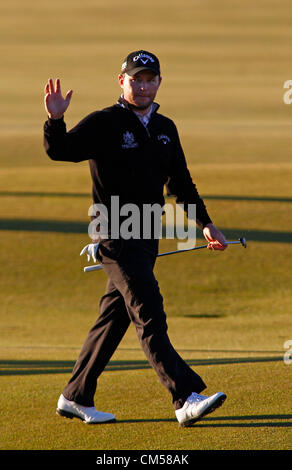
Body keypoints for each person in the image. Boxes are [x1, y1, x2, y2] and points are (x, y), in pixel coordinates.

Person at [43, 50, 228, 427]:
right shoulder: (104, 123)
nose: (142, 86)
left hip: (147, 235)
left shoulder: (165, 128)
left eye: (149, 79)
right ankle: (185, 396)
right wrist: (56, 120)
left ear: (159, 82)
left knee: (115, 317)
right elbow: (60, 151)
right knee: (148, 310)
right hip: (114, 234)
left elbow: (181, 184)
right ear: (121, 81)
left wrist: (205, 223)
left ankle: (75, 396)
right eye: (135, 79)